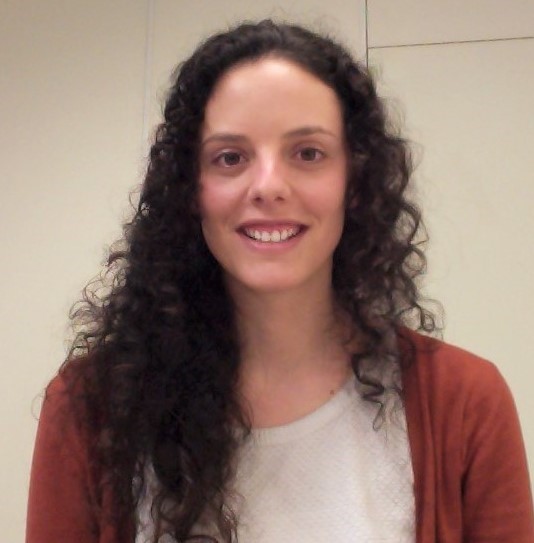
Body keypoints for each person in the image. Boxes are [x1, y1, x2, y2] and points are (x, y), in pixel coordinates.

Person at [26, 19, 533, 543]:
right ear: (190, 190)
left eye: (308, 153)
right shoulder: (91, 408)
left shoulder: (466, 402)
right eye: (230, 158)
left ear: (355, 182)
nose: (269, 186)